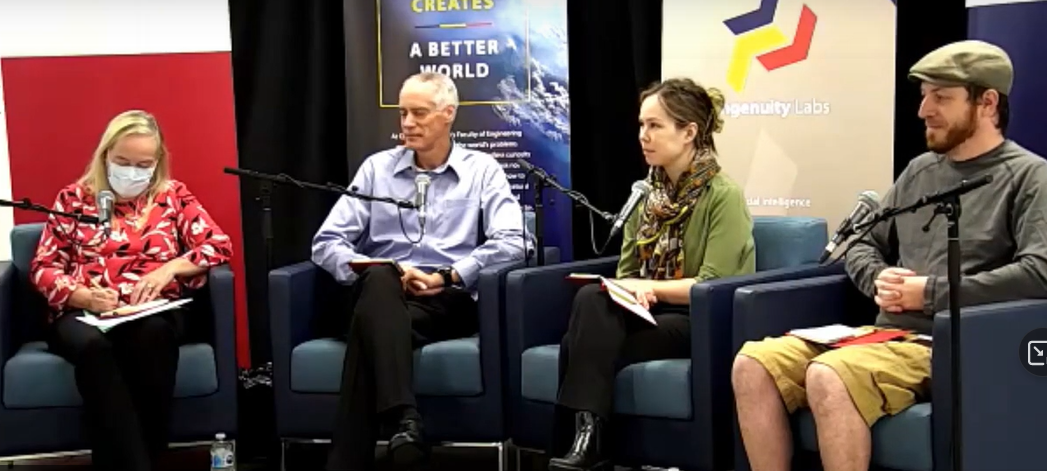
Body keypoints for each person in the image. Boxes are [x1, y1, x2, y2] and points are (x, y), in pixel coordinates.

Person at [732, 40, 1047, 471]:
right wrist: (877, 278)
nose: (924, 110)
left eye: (941, 97)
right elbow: (863, 242)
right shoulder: (920, 171)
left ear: (987, 102)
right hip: (884, 337)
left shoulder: (1030, 177)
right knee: (752, 364)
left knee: (829, 374)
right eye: (924, 96)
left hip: (957, 344)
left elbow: (1039, 274)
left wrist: (931, 294)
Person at [312, 72, 529, 471]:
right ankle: (404, 421)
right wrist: (365, 268)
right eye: (403, 113)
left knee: (370, 326)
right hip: (377, 291)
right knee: (380, 281)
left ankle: (358, 452)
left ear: (448, 114)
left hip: (444, 299)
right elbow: (325, 242)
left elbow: (515, 241)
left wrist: (446, 276)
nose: (407, 123)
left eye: (419, 113)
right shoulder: (377, 169)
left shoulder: (483, 170)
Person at [547, 77, 756, 471]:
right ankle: (591, 441)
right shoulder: (646, 196)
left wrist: (650, 289)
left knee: (579, 345)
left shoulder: (723, 196)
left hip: (698, 321)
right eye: (641, 125)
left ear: (689, 132)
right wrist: (631, 290)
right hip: (648, 313)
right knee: (592, 300)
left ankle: (583, 440)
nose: (644, 136)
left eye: (655, 125)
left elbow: (712, 284)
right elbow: (627, 273)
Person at [29, 110, 234, 471]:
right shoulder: (74, 199)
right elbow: (43, 267)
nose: (132, 171)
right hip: (84, 311)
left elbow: (218, 245)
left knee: (152, 337)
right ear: (105, 154)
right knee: (94, 349)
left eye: (143, 164)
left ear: (157, 163)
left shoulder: (173, 197)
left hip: (151, 309)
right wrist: (82, 296)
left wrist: (168, 269)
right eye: (122, 161)